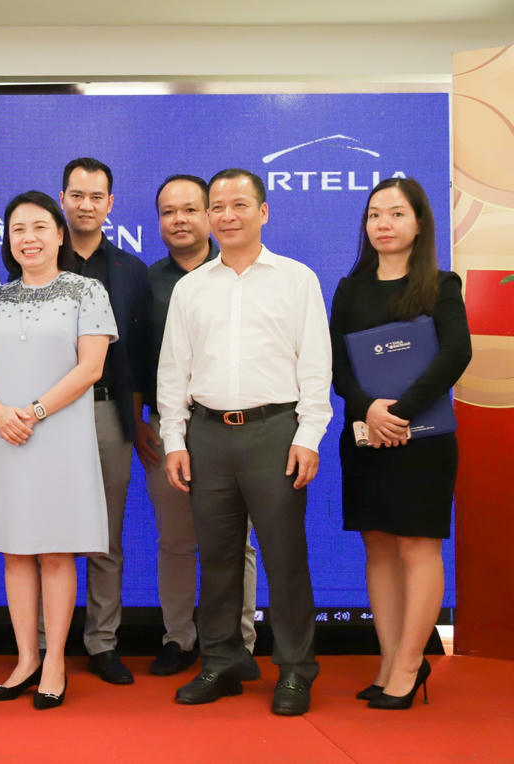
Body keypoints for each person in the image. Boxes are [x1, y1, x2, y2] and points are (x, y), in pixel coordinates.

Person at [157, 168, 332, 716]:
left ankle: (296, 669)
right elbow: (173, 370)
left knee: (285, 557)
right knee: (217, 558)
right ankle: (222, 661)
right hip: (207, 435)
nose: (227, 215)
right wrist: (174, 439)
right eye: (218, 206)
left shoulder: (297, 279)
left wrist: (309, 435)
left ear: (263, 211)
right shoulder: (191, 288)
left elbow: (315, 364)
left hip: (275, 432)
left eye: (239, 204)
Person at [0, 190, 116, 710]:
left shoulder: (86, 291)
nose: (29, 238)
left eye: (40, 227)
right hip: (2, 433)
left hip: (58, 435)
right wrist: (1, 414)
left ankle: (55, 663)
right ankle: (26, 659)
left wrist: (34, 411)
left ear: (60, 234)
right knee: (16, 549)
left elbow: (90, 367)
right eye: (18, 229)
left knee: (54, 550)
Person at [329, 177, 470, 710]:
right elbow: (336, 364)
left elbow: (455, 353)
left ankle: (411, 665)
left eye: (395, 214)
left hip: (423, 439)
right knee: (379, 545)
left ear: (419, 222)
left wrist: (401, 411)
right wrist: (370, 409)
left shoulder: (441, 284)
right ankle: (390, 660)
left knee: (417, 545)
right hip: (366, 433)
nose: (383, 224)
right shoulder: (350, 289)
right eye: (374, 215)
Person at [140, 174, 259, 677]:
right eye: (168, 212)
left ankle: (240, 642)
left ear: (209, 214)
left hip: (233, 428)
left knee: (237, 543)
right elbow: (135, 358)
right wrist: (142, 421)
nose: (179, 220)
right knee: (175, 540)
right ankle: (178, 637)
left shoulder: (240, 273)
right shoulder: (145, 282)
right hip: (166, 427)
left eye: (190, 209)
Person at [54, 158, 151, 685]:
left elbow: (140, 352)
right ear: (62, 199)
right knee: (47, 532)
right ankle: (44, 644)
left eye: (96, 197)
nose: (86, 205)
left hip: (108, 411)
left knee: (105, 534)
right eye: (77, 195)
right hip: (47, 414)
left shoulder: (130, 271)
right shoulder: (39, 259)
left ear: (110, 204)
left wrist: (139, 418)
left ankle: (102, 642)